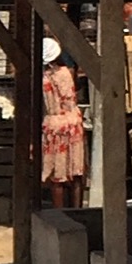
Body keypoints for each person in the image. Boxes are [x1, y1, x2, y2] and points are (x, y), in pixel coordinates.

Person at [40, 38, 85, 208]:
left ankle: (59, 212)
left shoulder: (42, 79)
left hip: (54, 124)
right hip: (73, 121)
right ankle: (78, 209)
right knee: (76, 170)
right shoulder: (68, 73)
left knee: (57, 174)